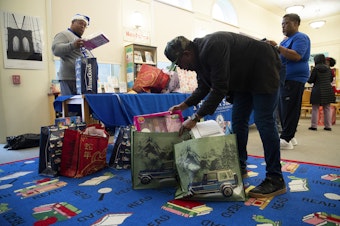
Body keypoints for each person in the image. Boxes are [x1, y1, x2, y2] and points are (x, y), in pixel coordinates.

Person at [165, 32, 286, 198]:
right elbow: (203, 88)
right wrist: (183, 105)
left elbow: (219, 88)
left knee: (263, 121)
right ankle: (240, 166)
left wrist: (195, 118)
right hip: (244, 79)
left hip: (264, 68)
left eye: (179, 63)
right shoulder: (198, 59)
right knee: (238, 121)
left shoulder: (212, 46)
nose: (181, 67)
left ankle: (275, 178)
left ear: (186, 54)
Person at [267, 13, 311, 150]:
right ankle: (289, 136)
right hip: (284, 78)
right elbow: (280, 57)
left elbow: (297, 56)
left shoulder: (301, 37)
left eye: (286, 23)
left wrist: (277, 47)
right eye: (282, 24)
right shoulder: (285, 40)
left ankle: (286, 138)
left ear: (296, 24)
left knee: (290, 108)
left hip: (294, 78)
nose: (283, 26)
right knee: (283, 109)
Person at [52, 14, 91, 95]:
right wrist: (73, 45)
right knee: (70, 105)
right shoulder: (64, 34)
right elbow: (56, 50)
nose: (82, 27)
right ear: (73, 22)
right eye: (80, 23)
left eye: (85, 25)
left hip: (83, 80)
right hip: (70, 79)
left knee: (82, 106)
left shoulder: (81, 40)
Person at [307, 54, 335, 131]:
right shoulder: (329, 69)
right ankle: (328, 126)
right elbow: (331, 80)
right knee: (327, 108)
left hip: (317, 90)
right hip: (328, 90)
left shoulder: (316, 69)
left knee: (315, 108)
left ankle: (314, 126)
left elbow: (311, 80)